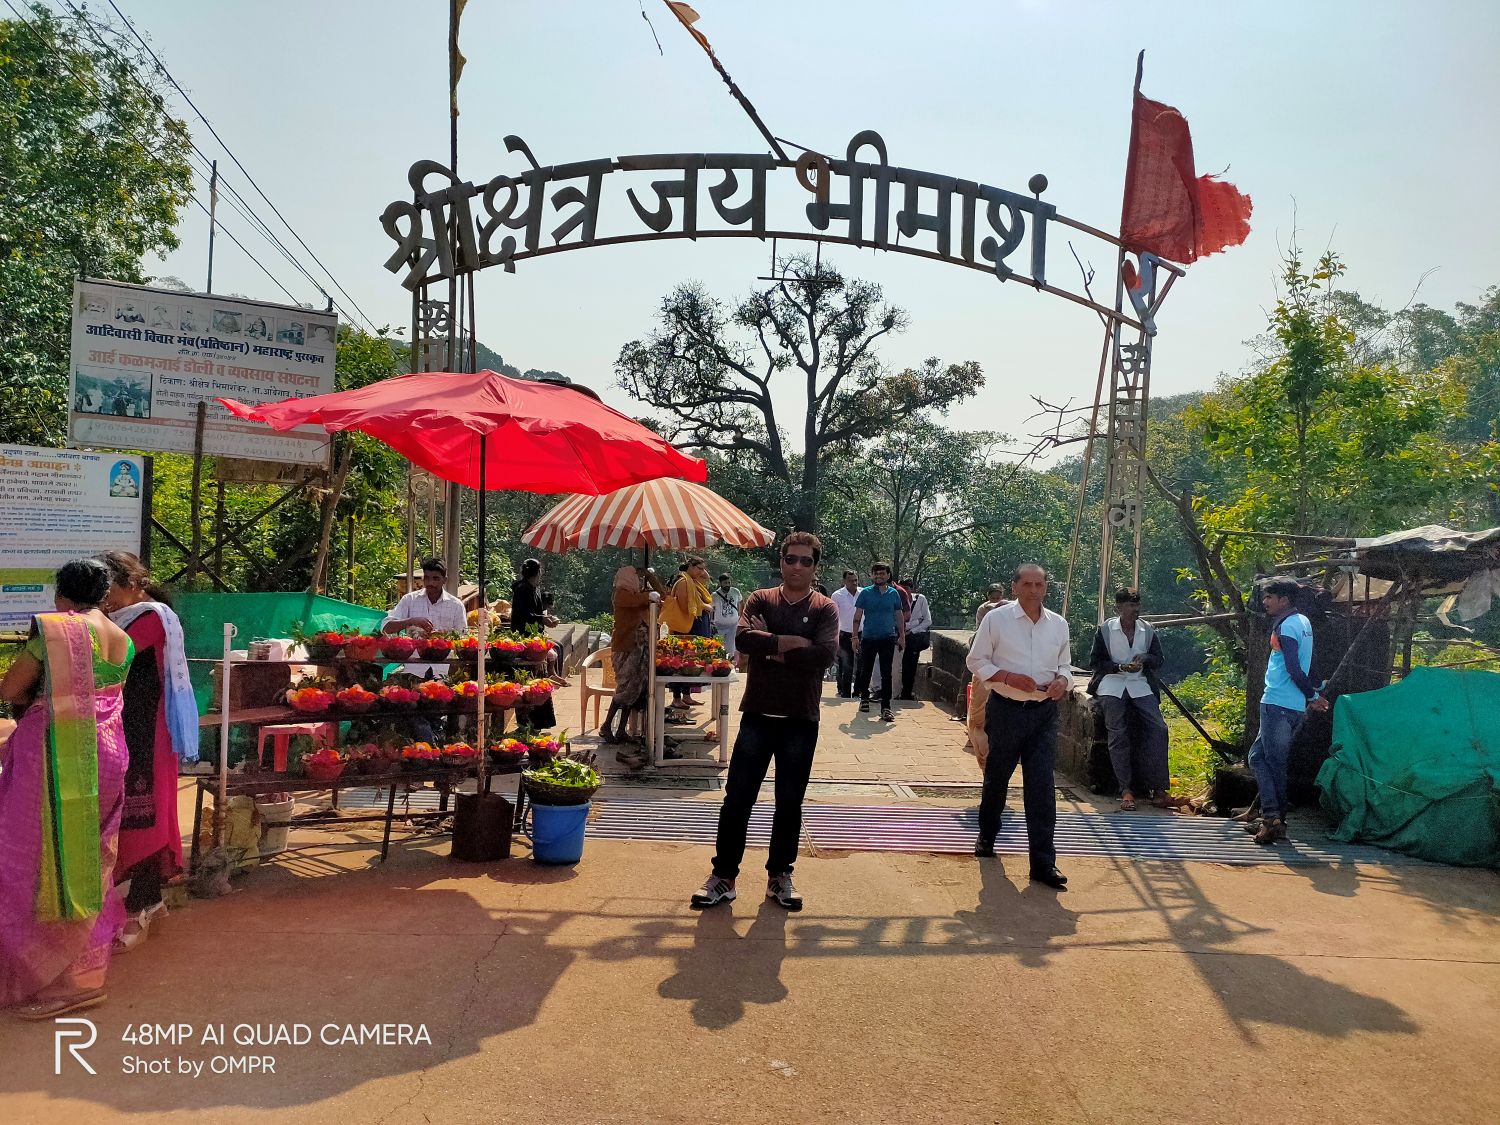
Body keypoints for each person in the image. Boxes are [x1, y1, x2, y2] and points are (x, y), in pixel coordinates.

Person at [0, 559, 134, 1018]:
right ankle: (86, 975)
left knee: (34, 863)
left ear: (61, 597)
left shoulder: (58, 631)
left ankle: (52, 981)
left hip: (55, 762)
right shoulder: (122, 637)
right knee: (89, 863)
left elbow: (12, 688)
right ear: (103, 595)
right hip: (109, 753)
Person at [690, 532, 838, 913]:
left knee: (790, 802)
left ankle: (779, 876)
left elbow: (823, 655)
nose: (798, 566)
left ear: (815, 566)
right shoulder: (760, 598)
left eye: (806, 561)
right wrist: (792, 642)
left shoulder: (824, 608)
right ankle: (723, 876)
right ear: (782, 561)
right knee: (737, 799)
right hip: (757, 714)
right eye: (792, 559)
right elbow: (742, 640)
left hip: (800, 719)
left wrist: (771, 643)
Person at [98, 552, 199, 952]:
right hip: (122, 723)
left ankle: (141, 901)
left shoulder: (151, 617)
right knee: (124, 811)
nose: (106, 598)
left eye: (111, 588)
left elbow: (114, 656)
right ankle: (150, 900)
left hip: (149, 727)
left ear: (132, 583)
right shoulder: (119, 618)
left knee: (147, 811)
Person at [965, 563, 1072, 889]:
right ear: (1014, 587)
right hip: (1007, 709)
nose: (1033, 590)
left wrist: (1062, 682)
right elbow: (976, 660)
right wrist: (1008, 677)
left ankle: (1043, 862)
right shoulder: (997, 620)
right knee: (997, 778)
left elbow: (1066, 665)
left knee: (1041, 787)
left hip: (1043, 713)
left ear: (1046, 588)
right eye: (1027, 584)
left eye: (1039, 584)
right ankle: (987, 835)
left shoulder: (1058, 624)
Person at [1246, 578, 1329, 845]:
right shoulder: (1303, 623)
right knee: (1258, 758)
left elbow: (1294, 668)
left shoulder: (1287, 626)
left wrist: (1313, 696)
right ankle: (1274, 817)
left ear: (1285, 600)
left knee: (1272, 763)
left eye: (1270, 597)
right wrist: (1315, 689)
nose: (1265, 601)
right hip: (1291, 707)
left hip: (1277, 704)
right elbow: (1306, 664)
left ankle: (1272, 820)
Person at [1087, 588, 1172, 812]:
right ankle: (1125, 790)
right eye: (1130, 605)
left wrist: (1145, 658)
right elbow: (1096, 662)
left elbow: (1158, 659)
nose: (1135, 609)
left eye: (1137, 605)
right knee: (1117, 732)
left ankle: (1159, 788)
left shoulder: (1147, 630)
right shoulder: (1105, 630)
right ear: (1119, 608)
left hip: (1139, 683)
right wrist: (1118, 666)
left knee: (1158, 729)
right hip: (1112, 683)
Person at [600, 565, 667, 764]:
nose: (637, 581)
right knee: (625, 688)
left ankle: (621, 728)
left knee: (635, 689)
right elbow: (640, 600)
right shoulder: (621, 594)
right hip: (626, 648)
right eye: (635, 577)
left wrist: (650, 575)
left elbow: (661, 594)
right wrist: (649, 595)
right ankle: (607, 725)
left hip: (640, 647)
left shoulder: (638, 593)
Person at [382, 558, 468, 678]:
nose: (430, 583)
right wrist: (411, 621)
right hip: (412, 669)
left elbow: (463, 639)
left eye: (436, 578)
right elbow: (386, 627)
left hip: (442, 672)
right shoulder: (409, 600)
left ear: (444, 580)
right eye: (427, 578)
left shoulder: (456, 605)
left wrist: (442, 639)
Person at [852, 563, 906, 722]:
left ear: (888, 575)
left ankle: (886, 707)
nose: (879, 576)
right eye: (876, 574)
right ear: (871, 576)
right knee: (865, 671)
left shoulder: (893, 594)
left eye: (882, 574)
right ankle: (864, 700)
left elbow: (899, 615)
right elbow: (857, 616)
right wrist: (855, 637)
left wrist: (902, 636)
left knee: (886, 672)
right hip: (868, 637)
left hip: (888, 637)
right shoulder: (865, 593)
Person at [661, 556, 713, 715]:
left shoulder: (694, 581)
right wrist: (705, 606)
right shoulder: (683, 582)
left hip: (695, 626)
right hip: (685, 628)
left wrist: (702, 571)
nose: (702, 572)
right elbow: (686, 606)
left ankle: (687, 695)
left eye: (703, 568)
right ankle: (676, 698)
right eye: (699, 568)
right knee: (680, 663)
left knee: (691, 663)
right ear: (690, 566)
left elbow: (707, 579)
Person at [963, 583, 1011, 751]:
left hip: (1002, 667)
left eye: (999, 596)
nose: (996, 600)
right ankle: (974, 736)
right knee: (979, 705)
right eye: (993, 596)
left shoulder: (1008, 611)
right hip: (983, 663)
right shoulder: (985, 610)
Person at [510, 558, 567, 684]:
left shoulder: (534, 588)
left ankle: (553, 673)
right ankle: (549, 675)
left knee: (560, 646)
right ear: (538, 572)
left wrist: (547, 618)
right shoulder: (522, 589)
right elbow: (523, 614)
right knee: (555, 648)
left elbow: (538, 612)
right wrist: (541, 619)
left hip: (535, 632)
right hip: (523, 634)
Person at [898, 579, 932, 701]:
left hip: (913, 639)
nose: (903, 592)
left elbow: (927, 621)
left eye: (906, 589)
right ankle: (895, 691)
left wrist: (911, 630)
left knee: (910, 666)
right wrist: (915, 622)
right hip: (898, 637)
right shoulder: (896, 599)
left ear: (911, 589)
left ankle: (906, 692)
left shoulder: (920, 599)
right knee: (896, 666)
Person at [830, 570, 860, 698]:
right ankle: (845, 692)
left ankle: (858, 691)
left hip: (860, 633)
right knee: (846, 664)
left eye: (855, 580)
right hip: (844, 634)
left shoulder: (863, 593)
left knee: (861, 664)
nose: (853, 583)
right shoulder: (837, 596)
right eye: (850, 580)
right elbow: (833, 618)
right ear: (844, 581)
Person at [711, 573, 743, 659]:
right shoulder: (715, 595)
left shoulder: (735, 591)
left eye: (729, 582)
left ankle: (730, 664)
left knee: (731, 647)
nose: (727, 585)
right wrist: (711, 621)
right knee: (718, 646)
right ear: (720, 583)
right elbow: (711, 609)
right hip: (719, 625)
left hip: (733, 624)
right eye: (725, 583)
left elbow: (740, 602)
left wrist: (740, 616)